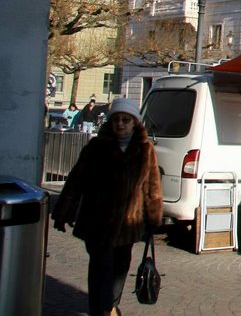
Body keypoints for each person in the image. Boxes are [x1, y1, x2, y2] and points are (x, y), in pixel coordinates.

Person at [52, 97, 163, 316]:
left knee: (120, 270)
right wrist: (63, 213)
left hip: (128, 224)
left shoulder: (144, 150)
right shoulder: (96, 147)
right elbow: (77, 180)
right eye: (116, 120)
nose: (120, 124)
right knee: (100, 269)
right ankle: (103, 310)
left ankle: (109, 305)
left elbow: (153, 188)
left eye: (125, 120)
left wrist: (153, 220)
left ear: (134, 123)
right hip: (97, 222)